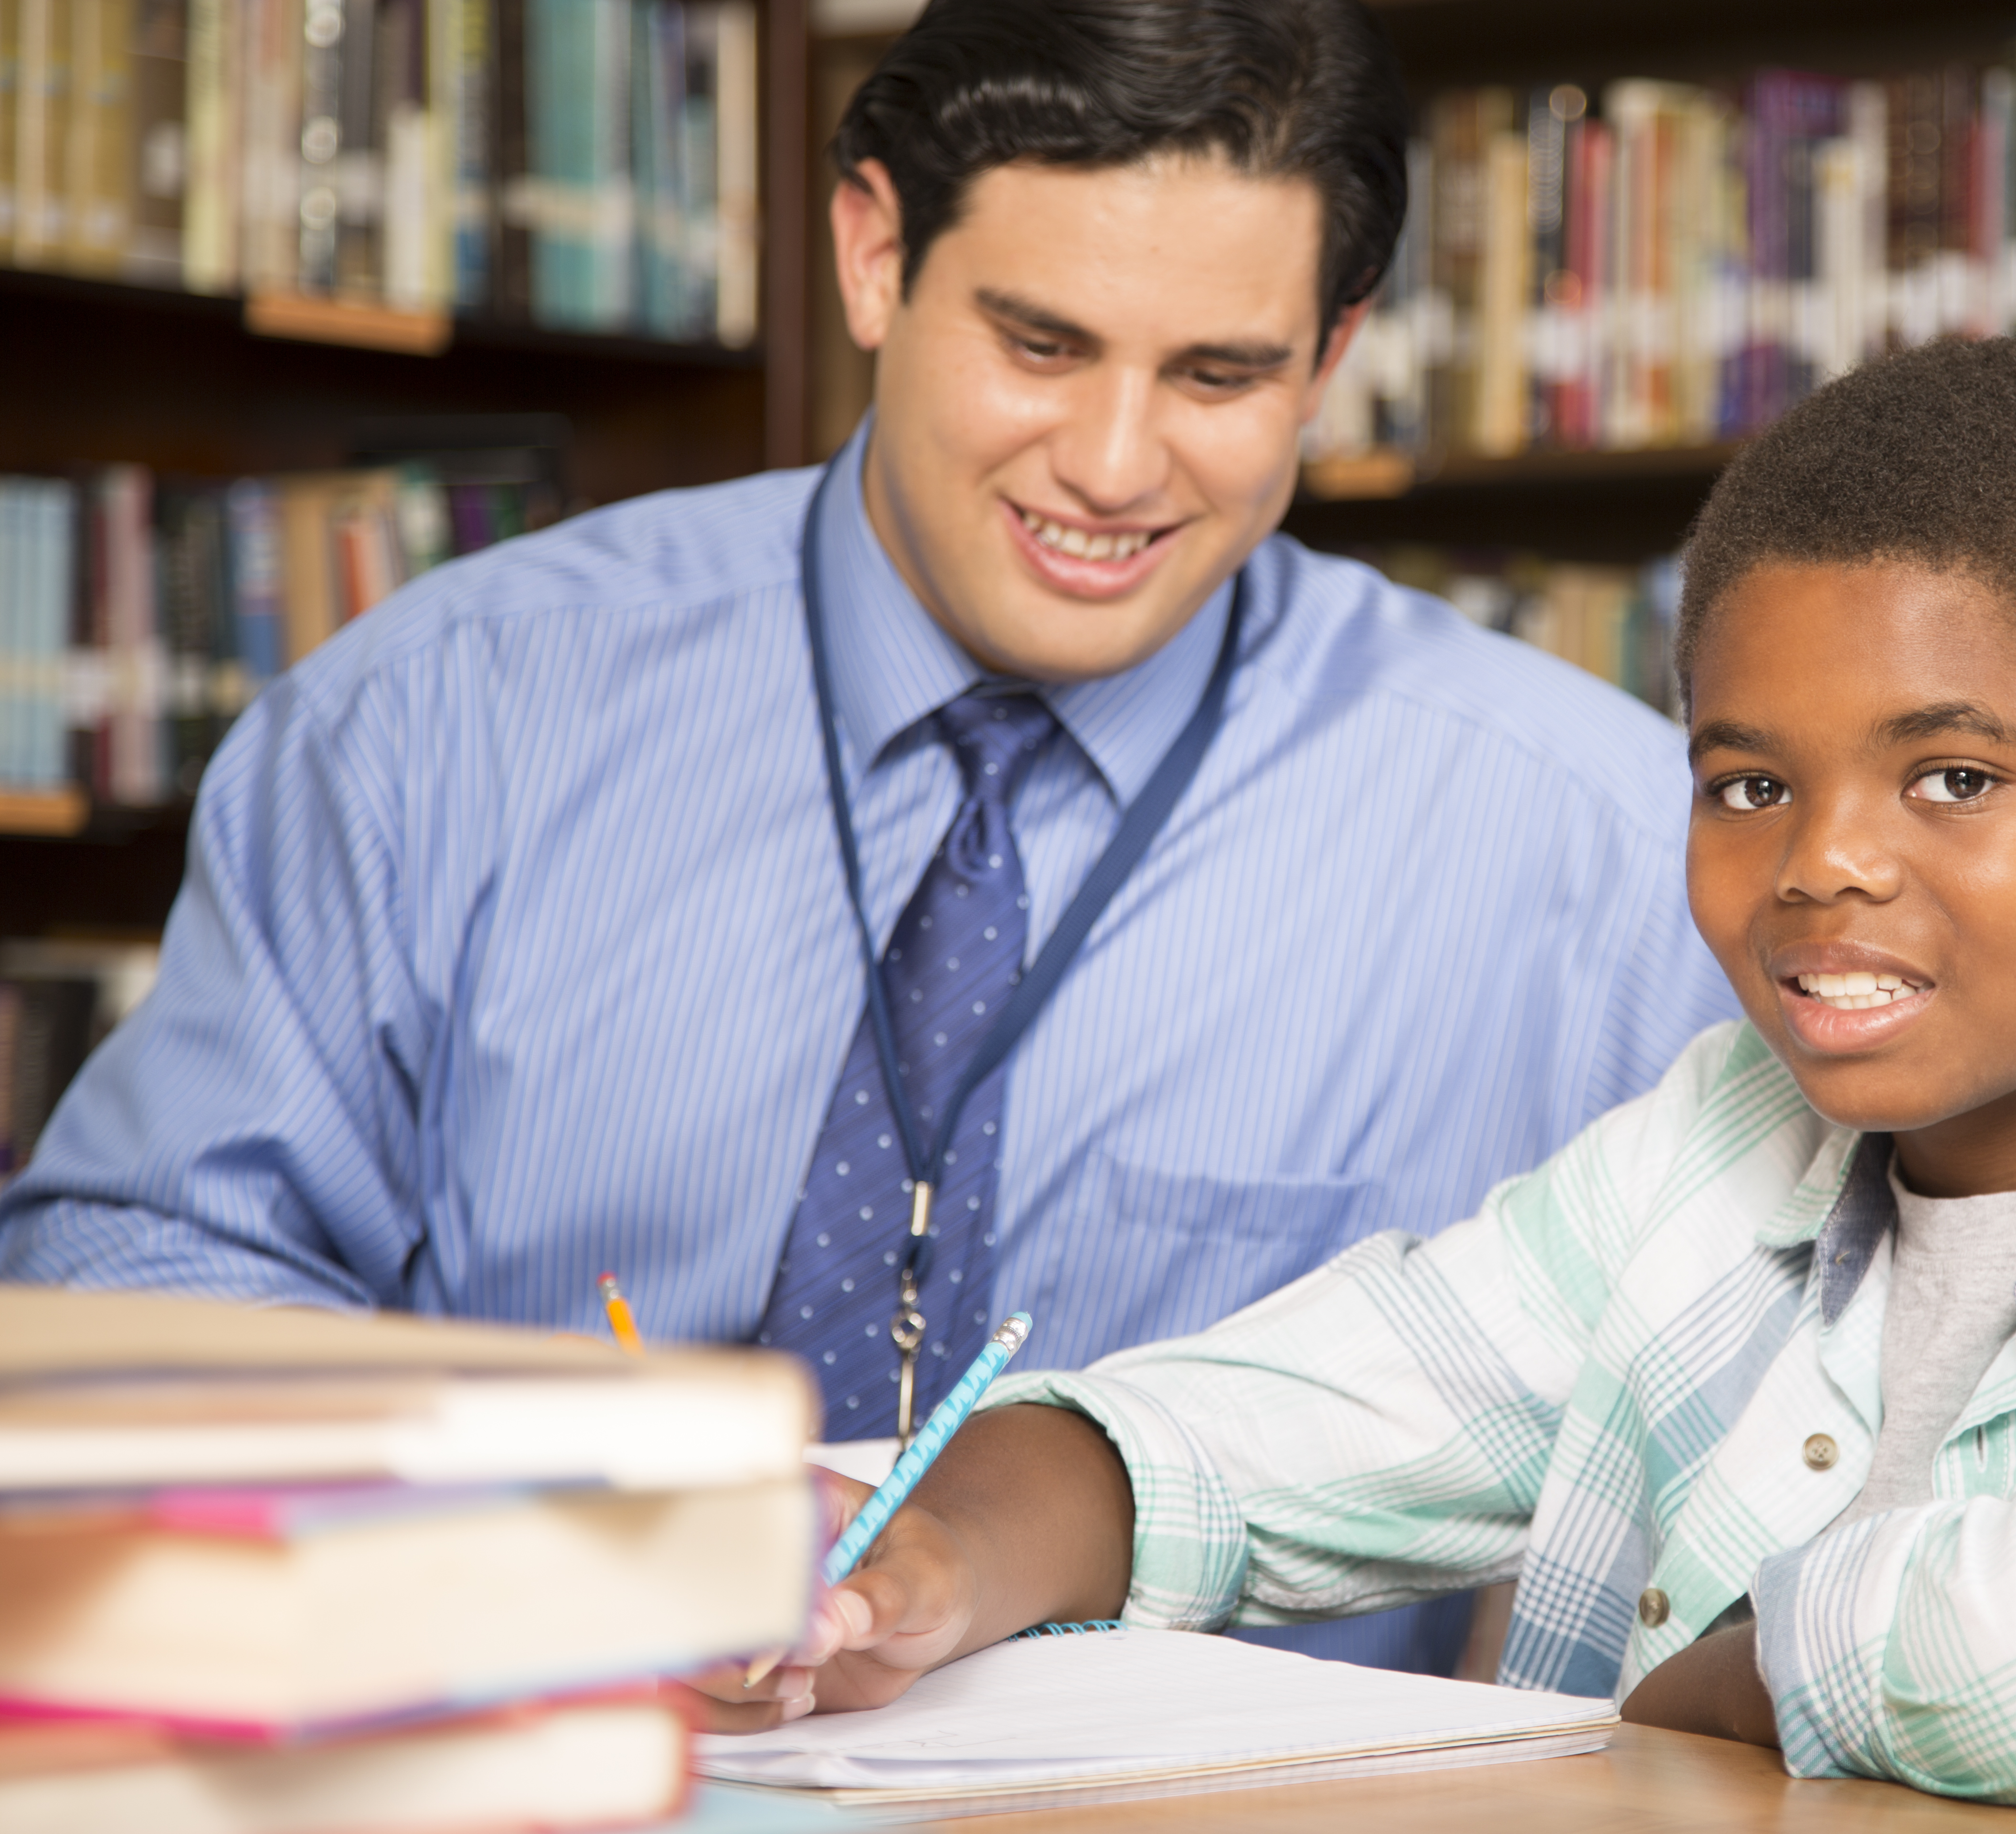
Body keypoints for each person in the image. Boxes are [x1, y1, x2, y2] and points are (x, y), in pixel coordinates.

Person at [0, 0, 1733, 1677]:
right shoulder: (437, 719)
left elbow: (1743, 1433)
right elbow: (134, 1277)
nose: (1114, 465)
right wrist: (490, 1537)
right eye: (1040, 345)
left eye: (1219, 373)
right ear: (872, 256)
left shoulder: (1594, 844)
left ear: (1336, 356)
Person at [732, 340, 2016, 1833]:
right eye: (1749, 783)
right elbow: (1234, 1440)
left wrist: (1720, 1674)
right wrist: (925, 1553)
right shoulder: (1720, 1147)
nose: (1823, 863)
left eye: (1954, 781)